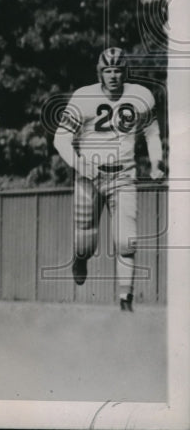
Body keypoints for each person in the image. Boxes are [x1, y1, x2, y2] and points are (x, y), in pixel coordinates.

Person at [53, 48, 164, 312]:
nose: (113, 76)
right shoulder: (84, 97)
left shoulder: (140, 96)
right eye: (108, 70)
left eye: (117, 70)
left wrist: (157, 163)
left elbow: (152, 134)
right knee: (86, 244)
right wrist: (81, 164)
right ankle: (80, 259)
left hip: (124, 175)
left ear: (124, 72)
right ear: (99, 73)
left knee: (127, 240)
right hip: (88, 177)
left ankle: (126, 300)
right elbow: (61, 138)